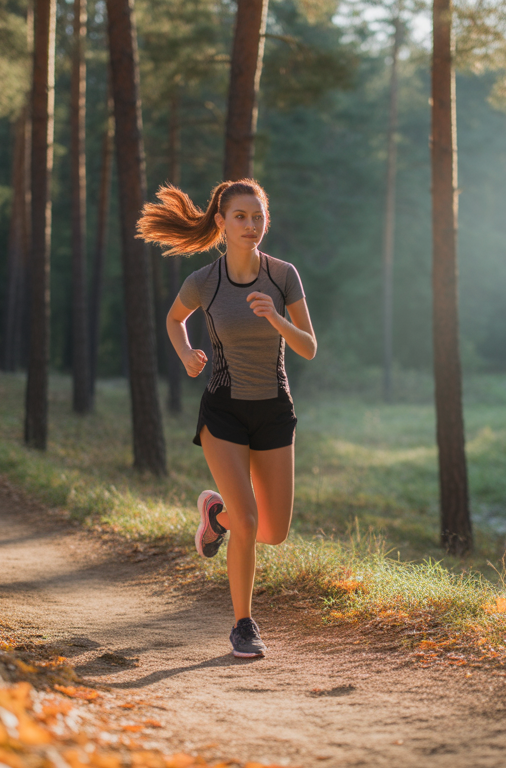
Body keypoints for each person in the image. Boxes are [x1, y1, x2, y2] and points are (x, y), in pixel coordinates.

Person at [138, 179, 317, 659]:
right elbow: (175, 319)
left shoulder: (283, 277)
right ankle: (243, 625)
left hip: (275, 408)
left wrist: (277, 320)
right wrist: (185, 356)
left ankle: (216, 514)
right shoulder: (204, 282)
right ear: (220, 222)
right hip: (224, 410)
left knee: (273, 532)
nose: (250, 225)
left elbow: (309, 347)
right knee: (250, 518)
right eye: (240, 216)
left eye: (258, 217)